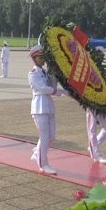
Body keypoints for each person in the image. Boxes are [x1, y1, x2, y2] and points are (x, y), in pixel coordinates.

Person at [28, 44, 66, 175]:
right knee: (44, 136)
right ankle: (43, 163)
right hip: (39, 107)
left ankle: (38, 154)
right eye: (41, 57)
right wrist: (57, 91)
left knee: (51, 137)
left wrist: (63, 88)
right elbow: (43, 88)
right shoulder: (33, 73)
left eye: (44, 57)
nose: (43, 59)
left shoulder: (45, 72)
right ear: (35, 59)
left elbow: (51, 86)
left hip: (48, 106)